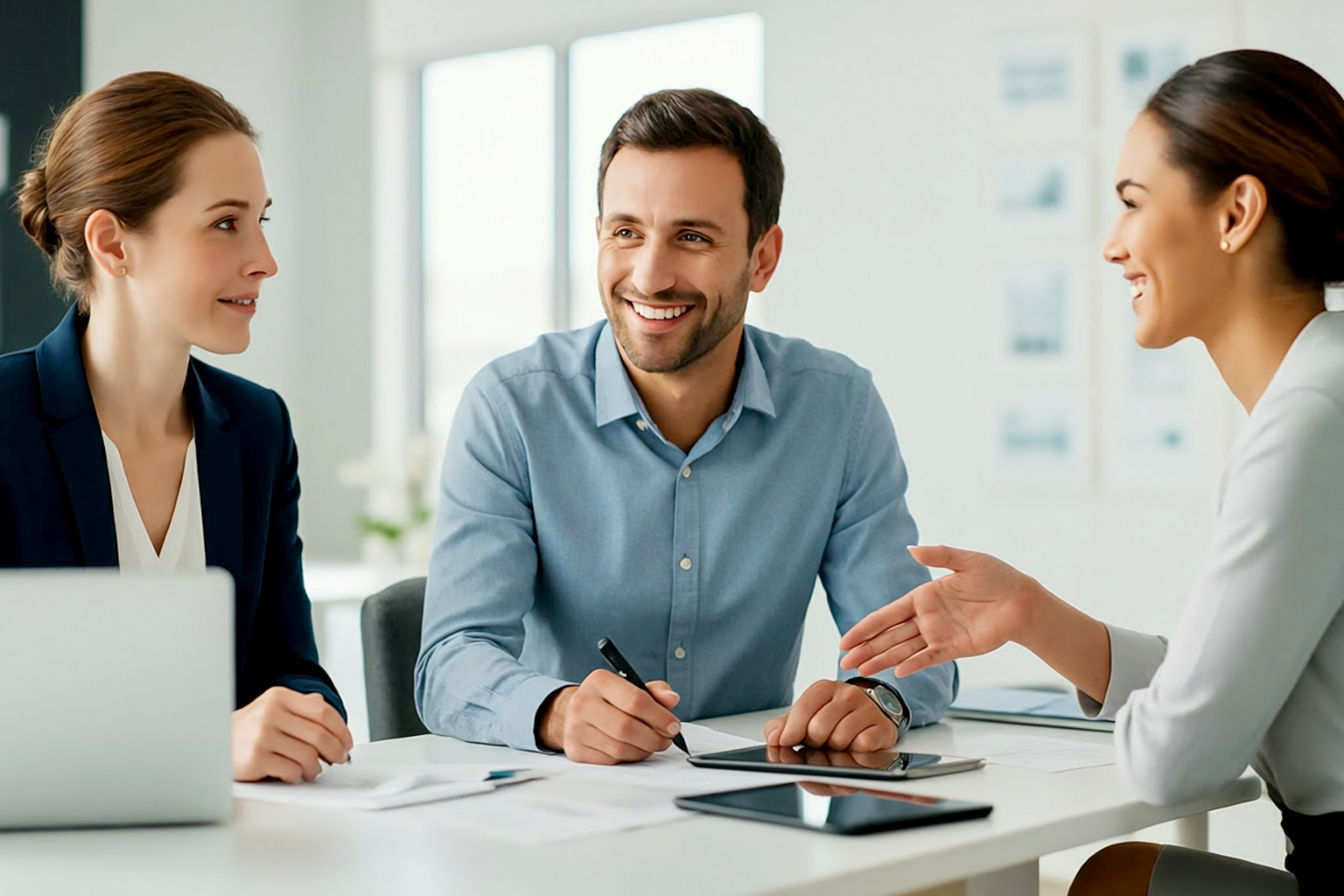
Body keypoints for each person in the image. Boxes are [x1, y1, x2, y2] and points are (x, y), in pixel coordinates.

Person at [839, 49, 1344, 896]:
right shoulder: (1318, 392)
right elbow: (1228, 684)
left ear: (1237, 214)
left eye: (1132, 204)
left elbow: (1180, 756)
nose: (1112, 247)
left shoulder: (1310, 424)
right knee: (1120, 876)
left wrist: (1183, 715)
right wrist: (1030, 614)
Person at [414, 87, 956, 764]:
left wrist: (877, 698)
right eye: (626, 232)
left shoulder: (838, 409)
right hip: (563, 807)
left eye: (692, 237)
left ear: (762, 258)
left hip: (755, 807)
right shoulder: (511, 406)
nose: (650, 275)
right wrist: (556, 711)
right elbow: (450, 664)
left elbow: (915, 647)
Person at [0, 71, 353, 784]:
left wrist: (304, 717)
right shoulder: (6, 422)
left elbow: (290, 668)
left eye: (262, 219)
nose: (265, 260)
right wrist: (202, 743)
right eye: (226, 223)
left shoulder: (258, 429)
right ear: (113, 244)